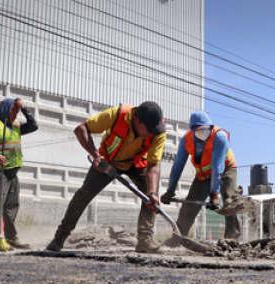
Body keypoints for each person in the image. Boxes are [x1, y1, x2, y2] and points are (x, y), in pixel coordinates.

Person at [46, 101, 167, 253]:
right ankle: (59, 238)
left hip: (137, 163)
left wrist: (153, 193)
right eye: (148, 129)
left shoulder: (158, 130)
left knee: (150, 199)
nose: (152, 132)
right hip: (108, 161)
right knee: (84, 194)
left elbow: (153, 165)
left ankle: (145, 241)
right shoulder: (116, 115)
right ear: (136, 120)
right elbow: (81, 129)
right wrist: (95, 155)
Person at [160, 110, 240, 246]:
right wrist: (170, 190)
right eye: (199, 131)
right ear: (192, 130)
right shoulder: (187, 140)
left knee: (229, 199)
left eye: (206, 130)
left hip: (226, 169)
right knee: (189, 205)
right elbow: (177, 167)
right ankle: (178, 238)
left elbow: (217, 167)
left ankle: (231, 239)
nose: (203, 134)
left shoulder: (219, 136)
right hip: (203, 175)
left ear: (210, 127)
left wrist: (214, 195)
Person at [0, 98, 39, 250]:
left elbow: (33, 126)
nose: (15, 115)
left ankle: (11, 239)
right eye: (13, 111)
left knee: (11, 207)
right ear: (4, 109)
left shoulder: (16, 126)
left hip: (12, 173)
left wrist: (24, 108)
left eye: (17, 112)